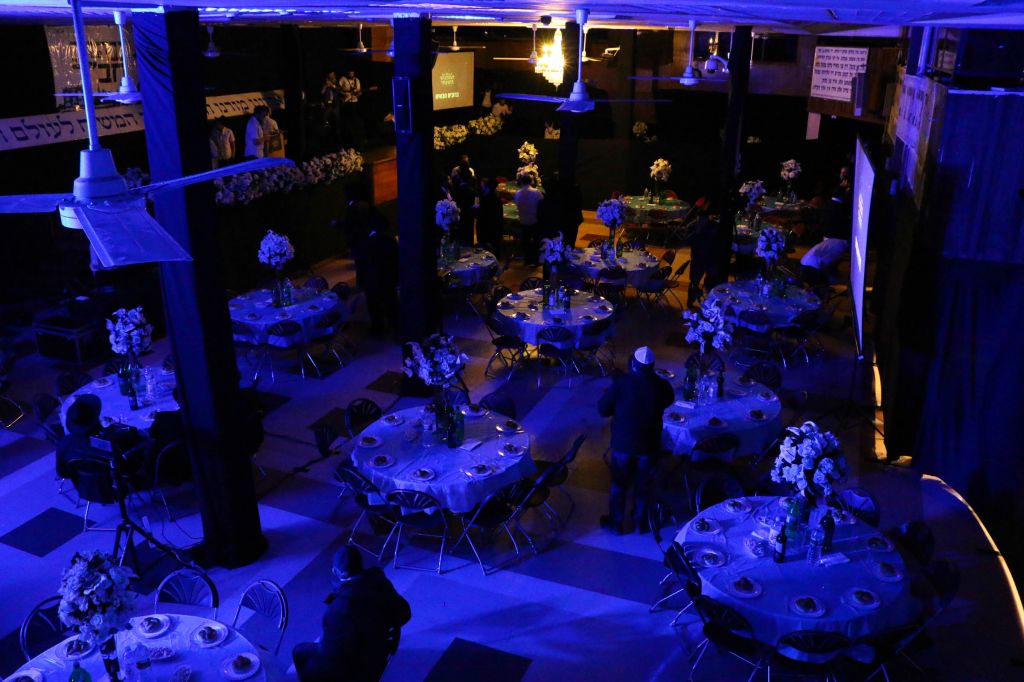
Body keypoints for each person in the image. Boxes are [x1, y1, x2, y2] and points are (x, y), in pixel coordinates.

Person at [292, 547, 411, 682]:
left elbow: (330, 655)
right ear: (360, 564)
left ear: (336, 572)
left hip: (357, 670)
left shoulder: (337, 610)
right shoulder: (380, 582)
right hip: (379, 653)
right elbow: (405, 614)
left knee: (298, 651)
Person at [597, 347, 674, 534]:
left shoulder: (622, 383)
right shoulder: (661, 385)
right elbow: (669, 400)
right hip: (649, 445)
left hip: (623, 444)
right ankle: (640, 523)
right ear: (652, 366)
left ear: (633, 364)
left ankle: (616, 524)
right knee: (643, 486)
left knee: (619, 485)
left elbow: (602, 409)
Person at [56, 393, 102, 479]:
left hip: (84, 485)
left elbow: (62, 473)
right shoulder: (109, 441)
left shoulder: (62, 444)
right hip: (115, 484)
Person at [514, 173, 544, 266]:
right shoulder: (536, 192)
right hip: (535, 220)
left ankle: (527, 260)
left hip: (523, 221)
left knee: (525, 241)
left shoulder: (518, 193)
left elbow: (517, 204)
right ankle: (535, 260)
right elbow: (541, 204)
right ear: (531, 181)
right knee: (536, 242)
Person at [475, 176, 504, 258]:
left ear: (486, 186)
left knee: (486, 249)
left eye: (483, 184)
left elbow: (483, 214)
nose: (481, 185)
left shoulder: (486, 198)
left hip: (486, 227)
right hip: (495, 226)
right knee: (495, 247)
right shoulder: (496, 195)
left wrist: (476, 209)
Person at [450, 156, 477, 245]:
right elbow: (475, 193)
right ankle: (468, 243)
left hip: (461, 207)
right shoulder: (471, 179)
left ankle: (461, 244)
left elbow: (454, 193)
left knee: (460, 227)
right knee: (467, 228)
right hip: (468, 207)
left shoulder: (458, 179)